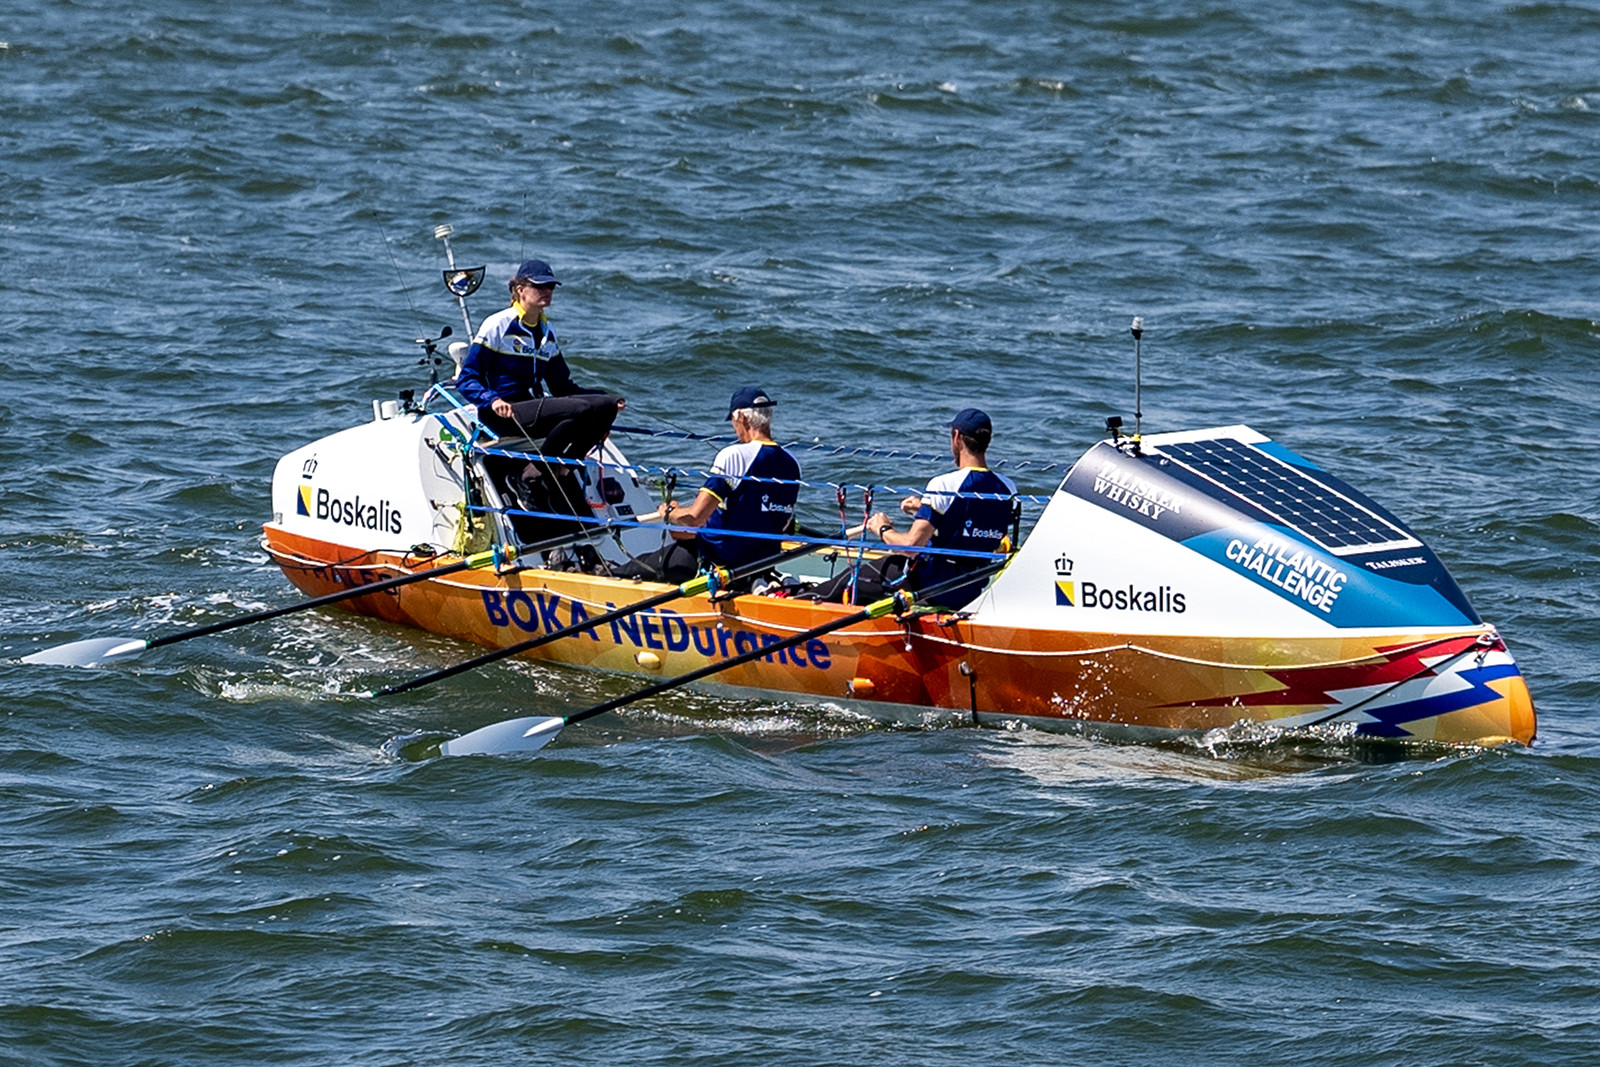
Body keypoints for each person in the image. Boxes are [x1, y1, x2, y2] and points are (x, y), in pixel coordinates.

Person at [809, 408, 1016, 610]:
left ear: (957, 437)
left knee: (856, 576)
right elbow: (976, 525)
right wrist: (924, 509)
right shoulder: (1008, 489)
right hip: (970, 588)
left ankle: (794, 599)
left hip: (932, 586)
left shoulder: (944, 485)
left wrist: (882, 529)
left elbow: (910, 547)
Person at [615, 387, 801, 584]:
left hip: (714, 563)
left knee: (631, 570)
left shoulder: (734, 455)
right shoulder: (792, 463)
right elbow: (780, 522)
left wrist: (668, 512)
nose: (734, 428)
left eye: (732, 421)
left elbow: (694, 518)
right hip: (760, 565)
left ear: (741, 418)